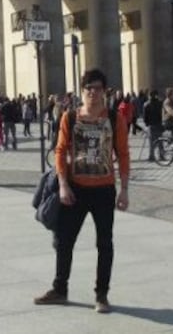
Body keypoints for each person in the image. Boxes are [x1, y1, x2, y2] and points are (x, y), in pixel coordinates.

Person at [34, 68, 130, 313]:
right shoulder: (70, 117)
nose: (93, 93)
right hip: (75, 190)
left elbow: (123, 153)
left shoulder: (113, 118)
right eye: (89, 88)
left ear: (104, 91)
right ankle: (60, 288)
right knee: (65, 241)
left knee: (105, 243)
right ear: (82, 90)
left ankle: (102, 295)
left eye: (97, 88)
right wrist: (64, 185)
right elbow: (59, 150)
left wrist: (125, 189)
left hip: (104, 190)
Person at [143, 90, 163, 161]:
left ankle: (152, 156)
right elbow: (161, 114)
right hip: (158, 124)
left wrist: (146, 124)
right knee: (160, 140)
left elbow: (145, 117)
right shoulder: (160, 103)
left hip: (151, 125)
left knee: (151, 142)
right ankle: (161, 155)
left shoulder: (146, 104)